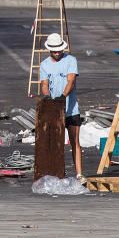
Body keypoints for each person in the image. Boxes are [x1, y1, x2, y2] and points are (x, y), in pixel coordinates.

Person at [38, 33, 84, 184]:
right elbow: (44, 84)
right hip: (54, 109)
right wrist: (49, 98)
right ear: (50, 50)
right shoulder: (44, 64)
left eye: (59, 50)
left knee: (74, 141)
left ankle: (79, 174)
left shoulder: (71, 60)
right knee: (54, 143)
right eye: (54, 51)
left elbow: (71, 80)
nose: (57, 53)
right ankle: (55, 172)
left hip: (71, 109)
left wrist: (63, 97)